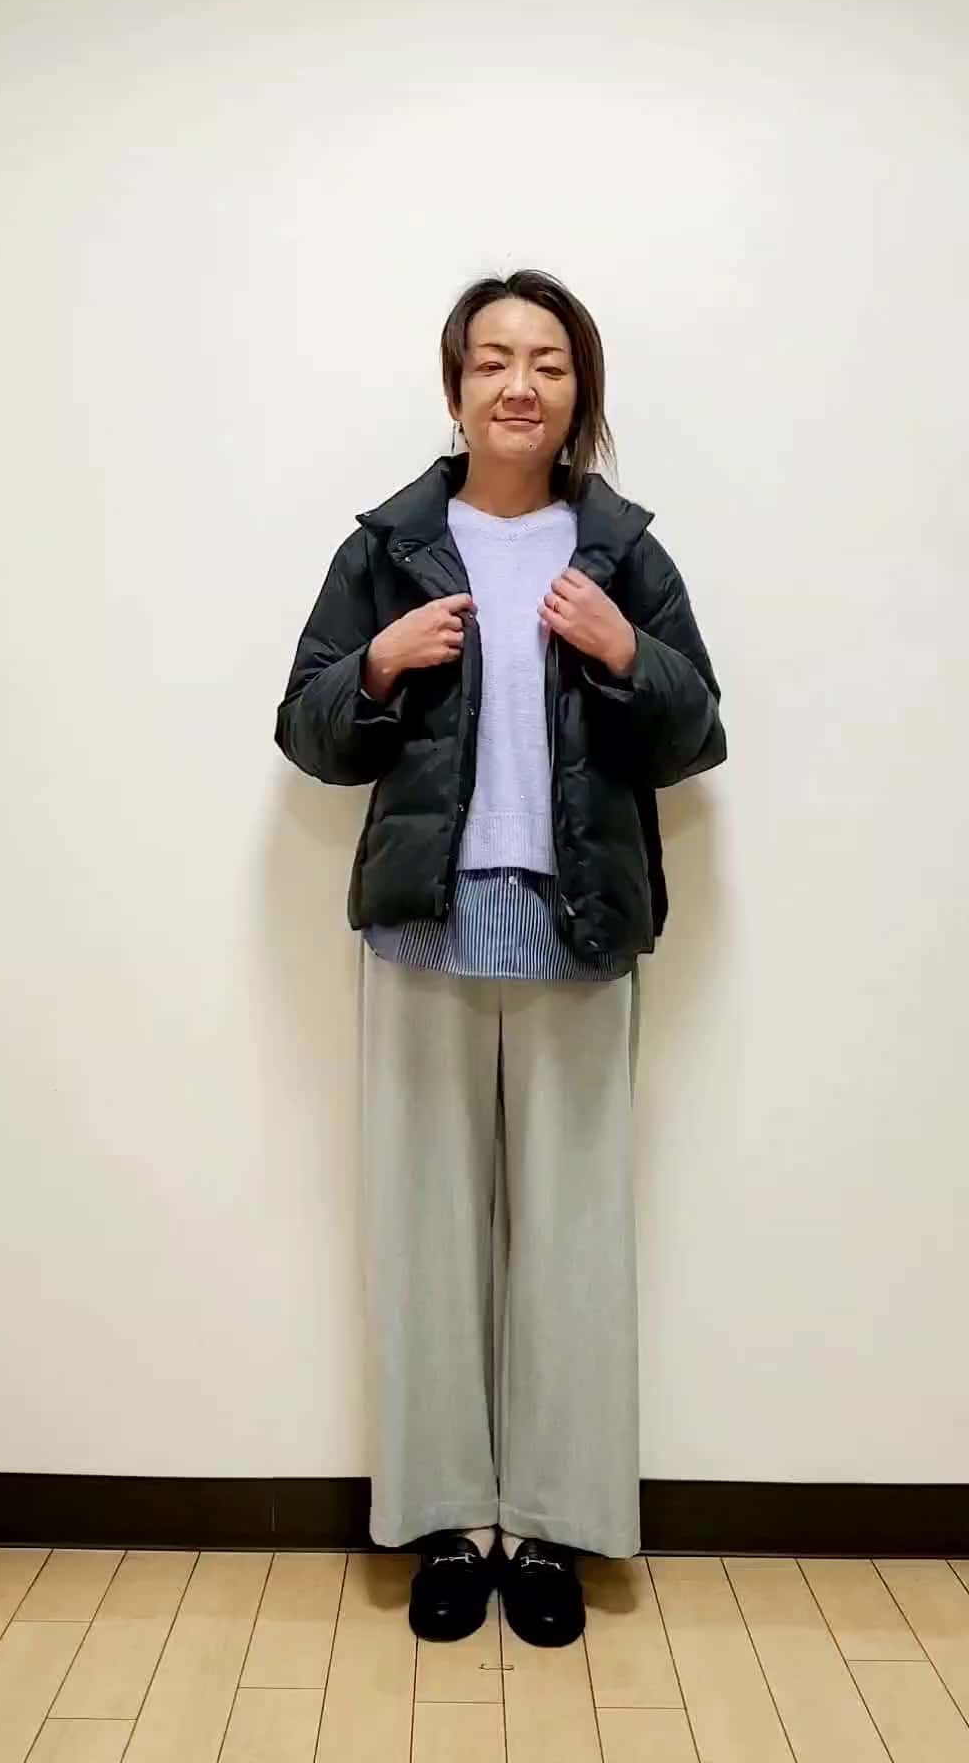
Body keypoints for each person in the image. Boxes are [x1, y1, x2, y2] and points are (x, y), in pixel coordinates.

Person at [274, 267, 726, 1649]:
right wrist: (377, 666)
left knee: (574, 1239)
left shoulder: (624, 552)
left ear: (579, 391)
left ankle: (550, 1526)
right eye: (492, 361)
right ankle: (448, 1523)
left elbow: (697, 730)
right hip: (426, 919)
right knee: (425, 1236)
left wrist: (626, 650)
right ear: (457, 385)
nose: (519, 384)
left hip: (581, 924)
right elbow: (306, 728)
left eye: (547, 362)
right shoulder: (390, 547)